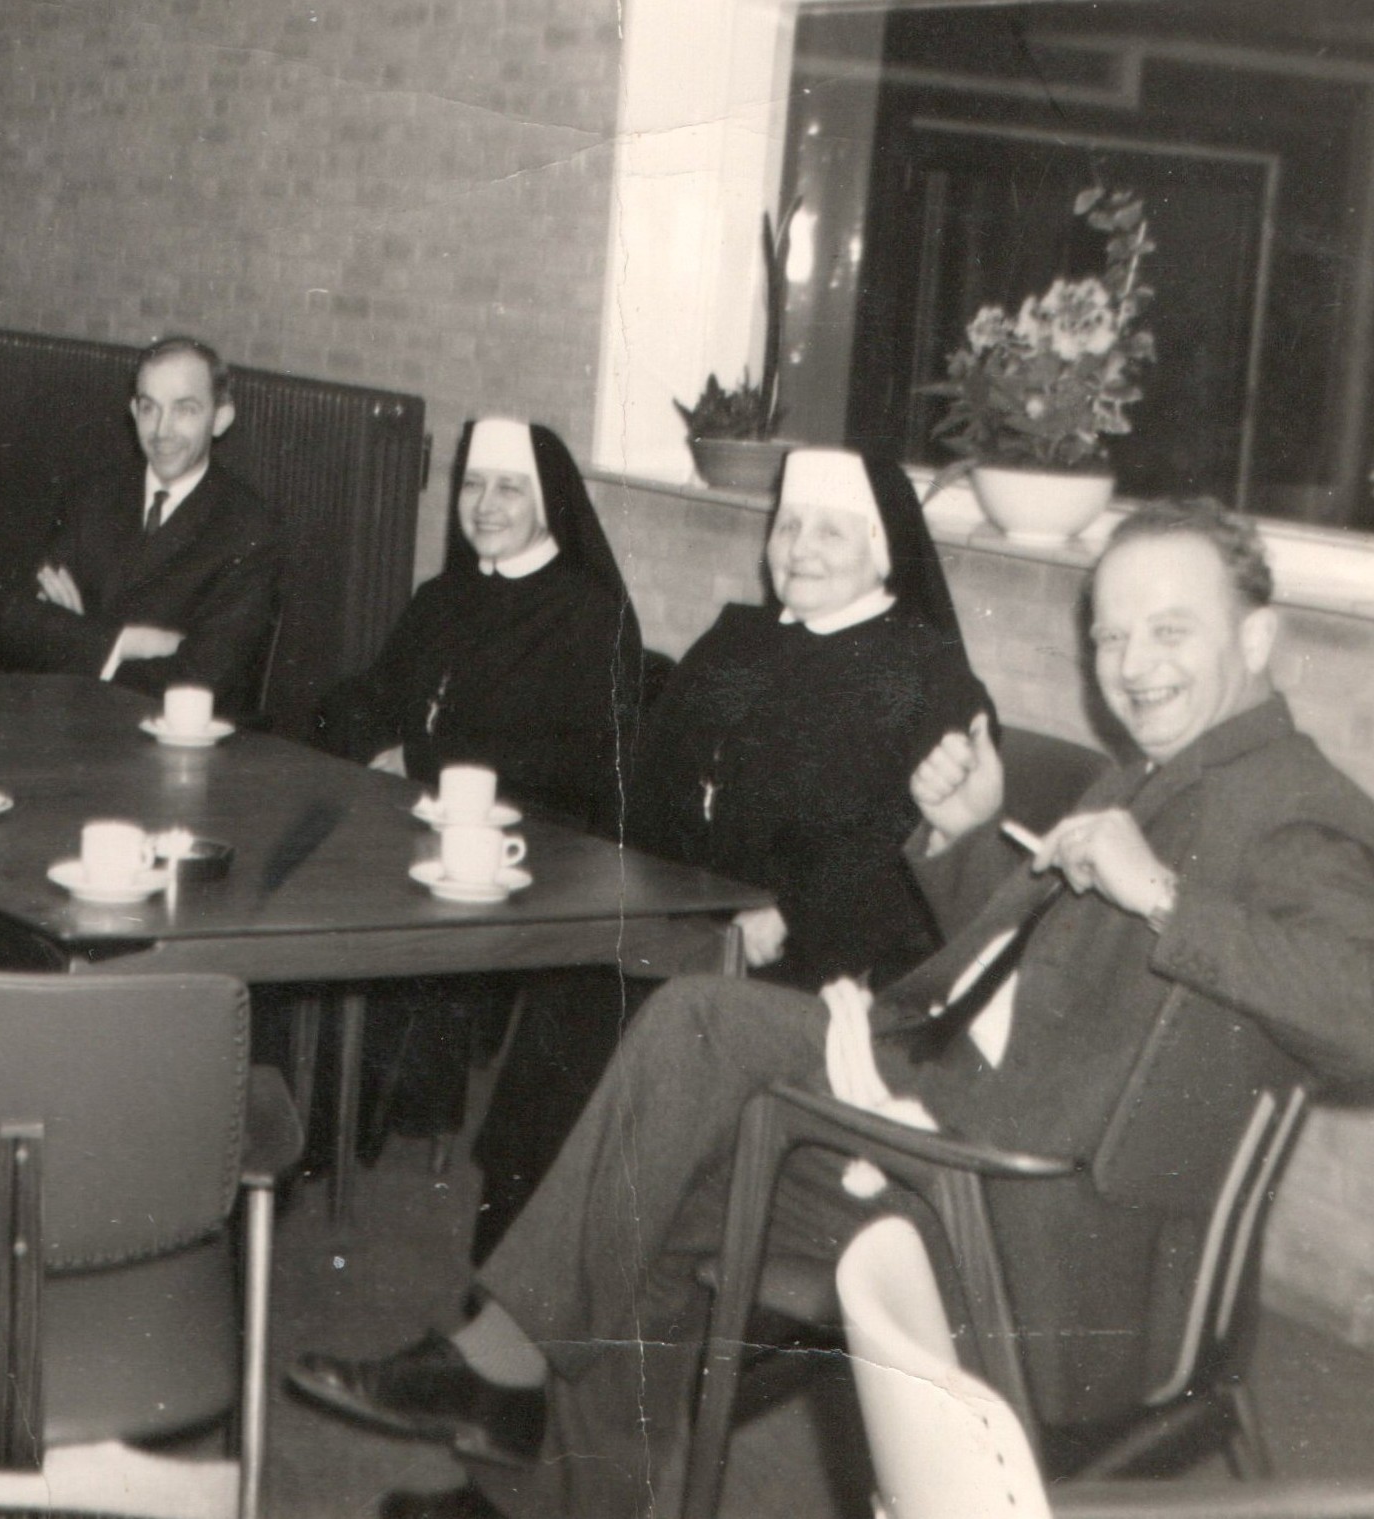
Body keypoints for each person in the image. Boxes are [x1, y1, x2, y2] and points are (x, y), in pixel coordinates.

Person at [289, 499, 1374, 1519]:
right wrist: (966, 839)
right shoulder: (1160, 771)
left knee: (693, 1073)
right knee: (673, 1134)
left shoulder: (1298, 806)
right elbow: (1026, 975)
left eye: (1170, 631)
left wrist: (1160, 892)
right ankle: (528, 1443)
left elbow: (1359, 1008)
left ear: (1258, 636)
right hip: (969, 1124)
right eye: (1110, 637)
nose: (1133, 666)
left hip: (1032, 1216)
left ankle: (508, 1378)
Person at [468, 447, 992, 1258]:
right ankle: (513, 1268)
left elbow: (906, 850)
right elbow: (648, 779)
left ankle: (592, 1280)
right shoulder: (737, 640)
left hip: (818, 952)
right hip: (687, 915)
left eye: (829, 532)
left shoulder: (927, 673)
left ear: (884, 549)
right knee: (575, 985)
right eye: (787, 526)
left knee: (636, 1018)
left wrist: (790, 916)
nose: (799, 549)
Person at [307, 417, 644, 1156]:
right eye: (473, 485)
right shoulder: (441, 596)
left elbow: (579, 766)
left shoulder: (592, 617)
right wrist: (370, 740)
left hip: (529, 841)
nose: (485, 505)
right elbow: (374, 691)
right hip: (413, 816)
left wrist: (424, 756)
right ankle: (308, 1102)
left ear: (548, 503)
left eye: (509, 489)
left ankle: (341, 1127)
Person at [0, 335, 279, 714]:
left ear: (220, 418)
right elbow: (16, 626)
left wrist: (78, 642)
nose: (162, 430)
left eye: (185, 409)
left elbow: (201, 679)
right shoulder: (92, 496)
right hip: (72, 724)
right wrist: (128, 643)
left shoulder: (246, 527)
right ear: (133, 411)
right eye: (149, 408)